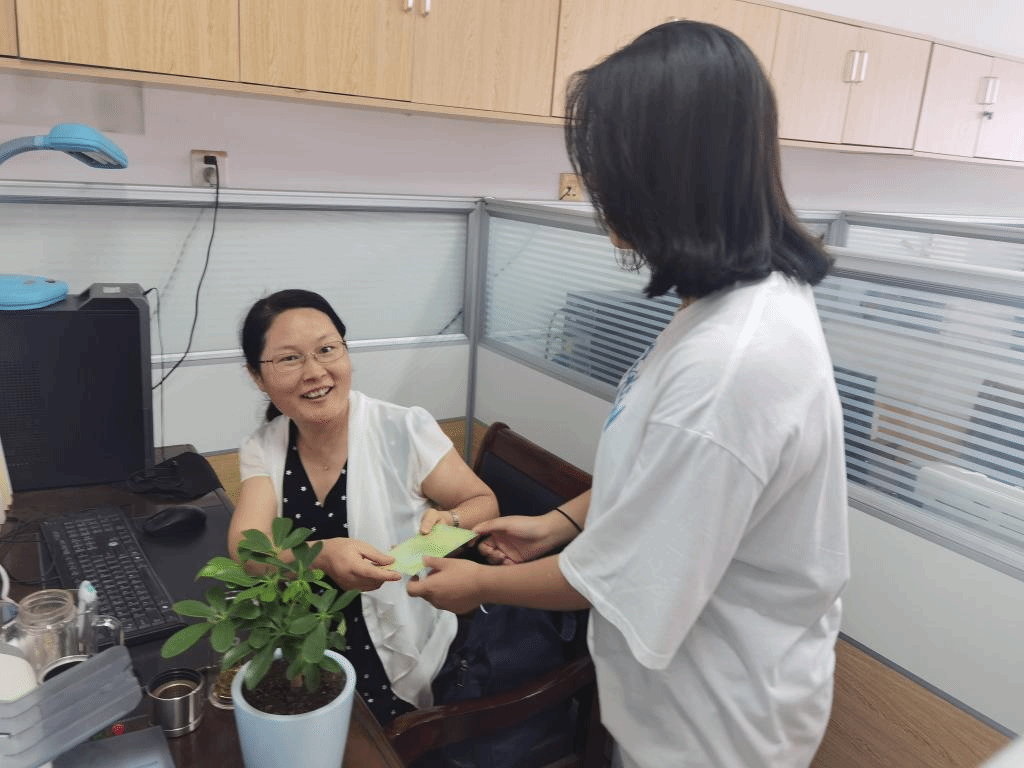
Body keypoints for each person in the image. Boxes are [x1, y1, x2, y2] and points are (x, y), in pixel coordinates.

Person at [408, 20, 850, 768]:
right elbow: (660, 472)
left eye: (607, 174)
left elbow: (630, 580)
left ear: (667, 178)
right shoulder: (728, 304)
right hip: (675, 698)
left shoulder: (732, 365)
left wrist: (480, 582)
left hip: (712, 732)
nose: (596, 196)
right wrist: (558, 522)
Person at [229, 288, 498, 726]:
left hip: (402, 644)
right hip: (302, 643)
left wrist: (442, 529)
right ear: (258, 377)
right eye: (290, 359)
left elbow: (483, 505)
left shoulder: (403, 428)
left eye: (327, 350)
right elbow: (247, 550)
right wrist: (321, 556)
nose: (315, 372)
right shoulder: (264, 447)